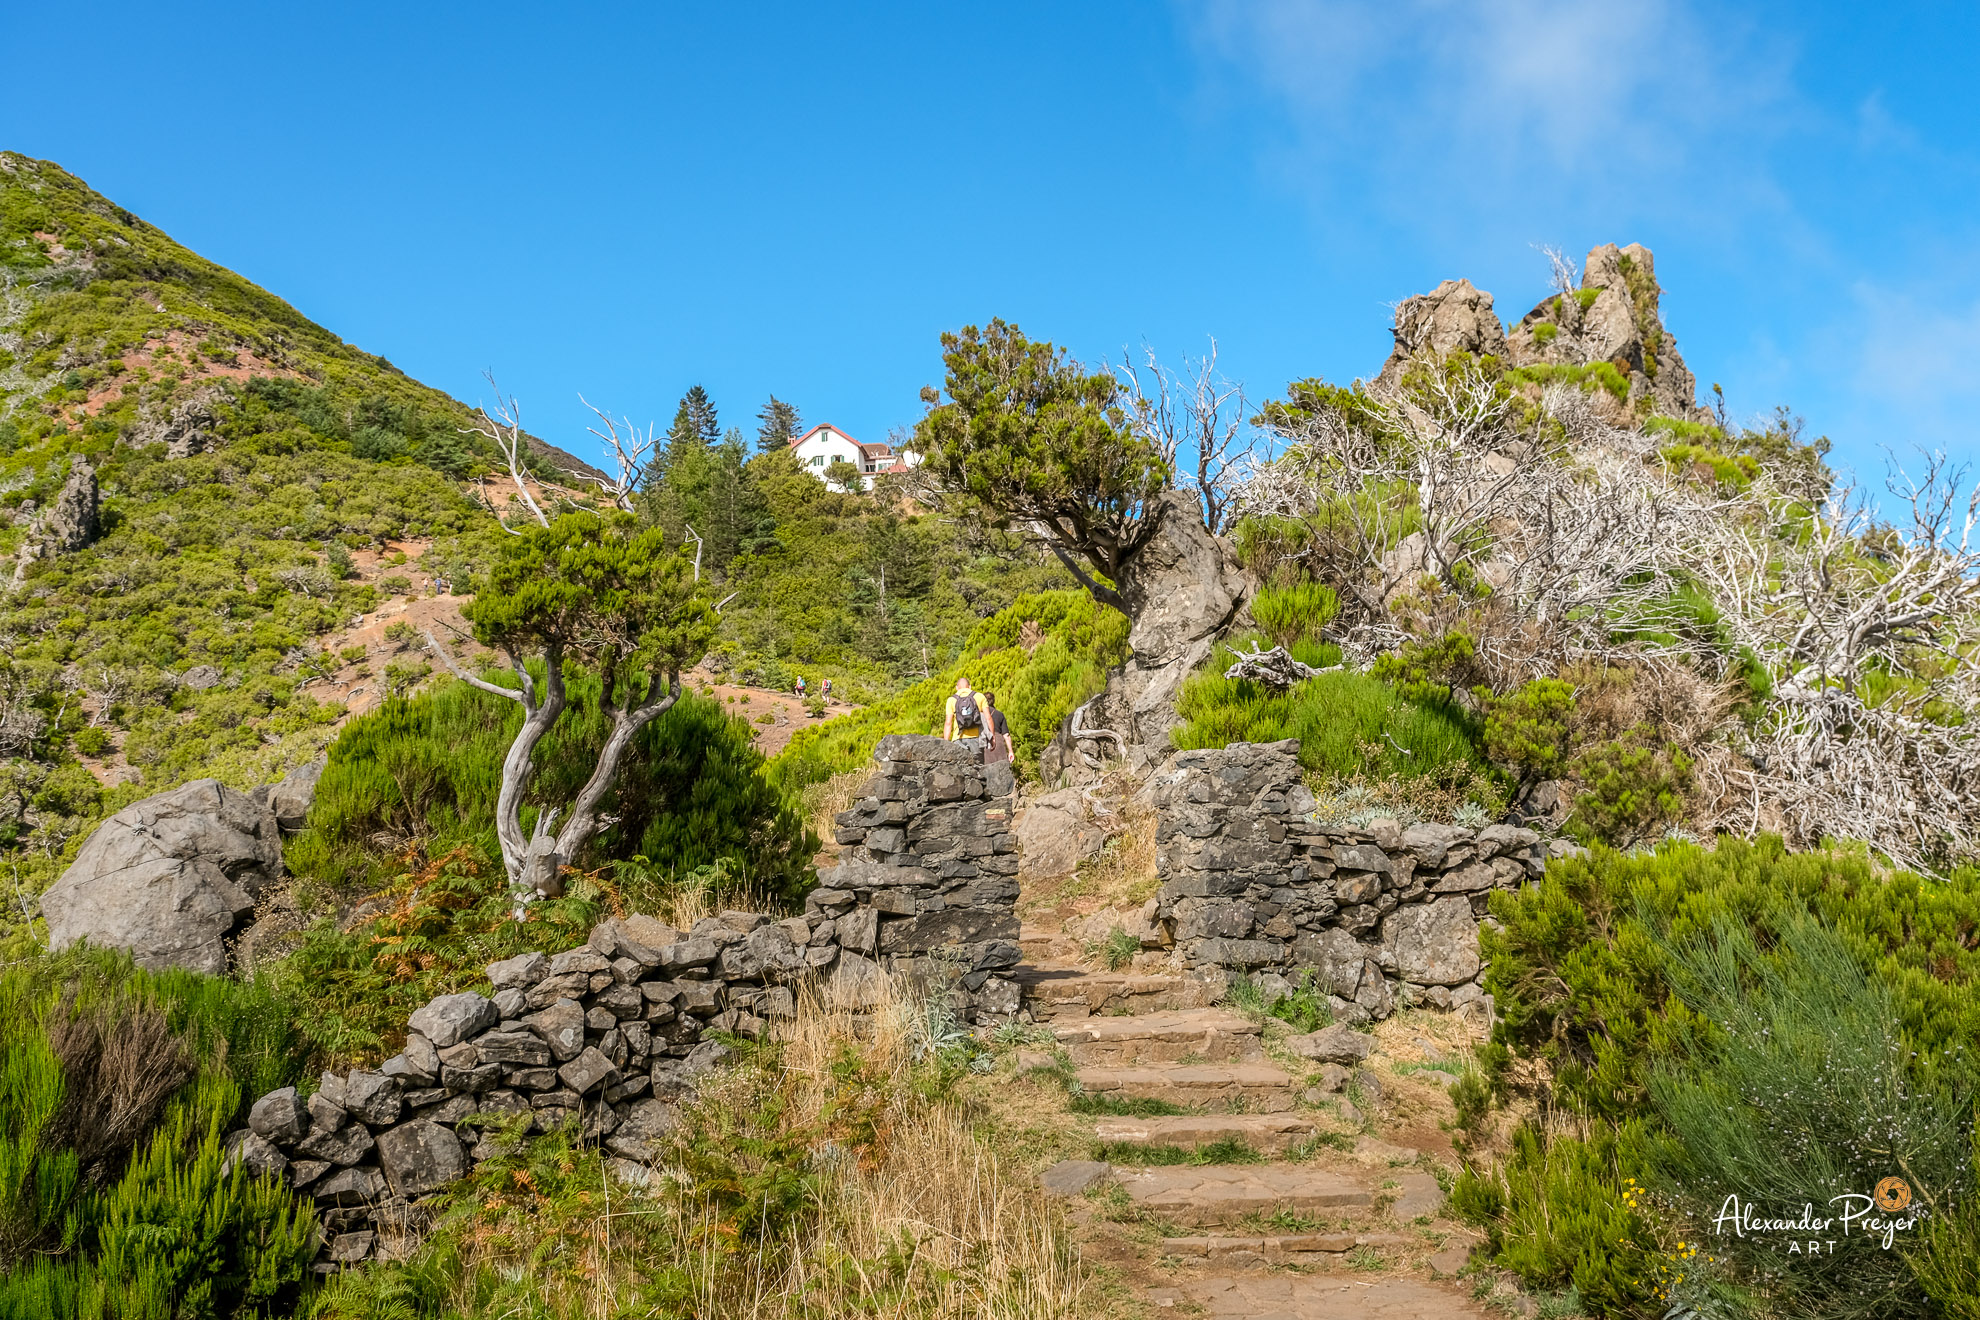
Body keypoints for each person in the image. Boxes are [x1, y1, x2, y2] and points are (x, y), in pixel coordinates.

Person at [943, 677, 985, 742]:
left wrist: (945, 742)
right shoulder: (979, 696)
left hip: (958, 738)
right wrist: (992, 736)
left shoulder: (951, 700)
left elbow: (948, 723)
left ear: (956, 688)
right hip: (976, 738)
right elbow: (988, 718)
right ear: (970, 686)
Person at [979, 690, 1013, 763]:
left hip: (984, 744)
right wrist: (1010, 751)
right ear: (993, 701)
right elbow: (1006, 735)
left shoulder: (979, 715)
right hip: (999, 745)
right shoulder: (1000, 714)